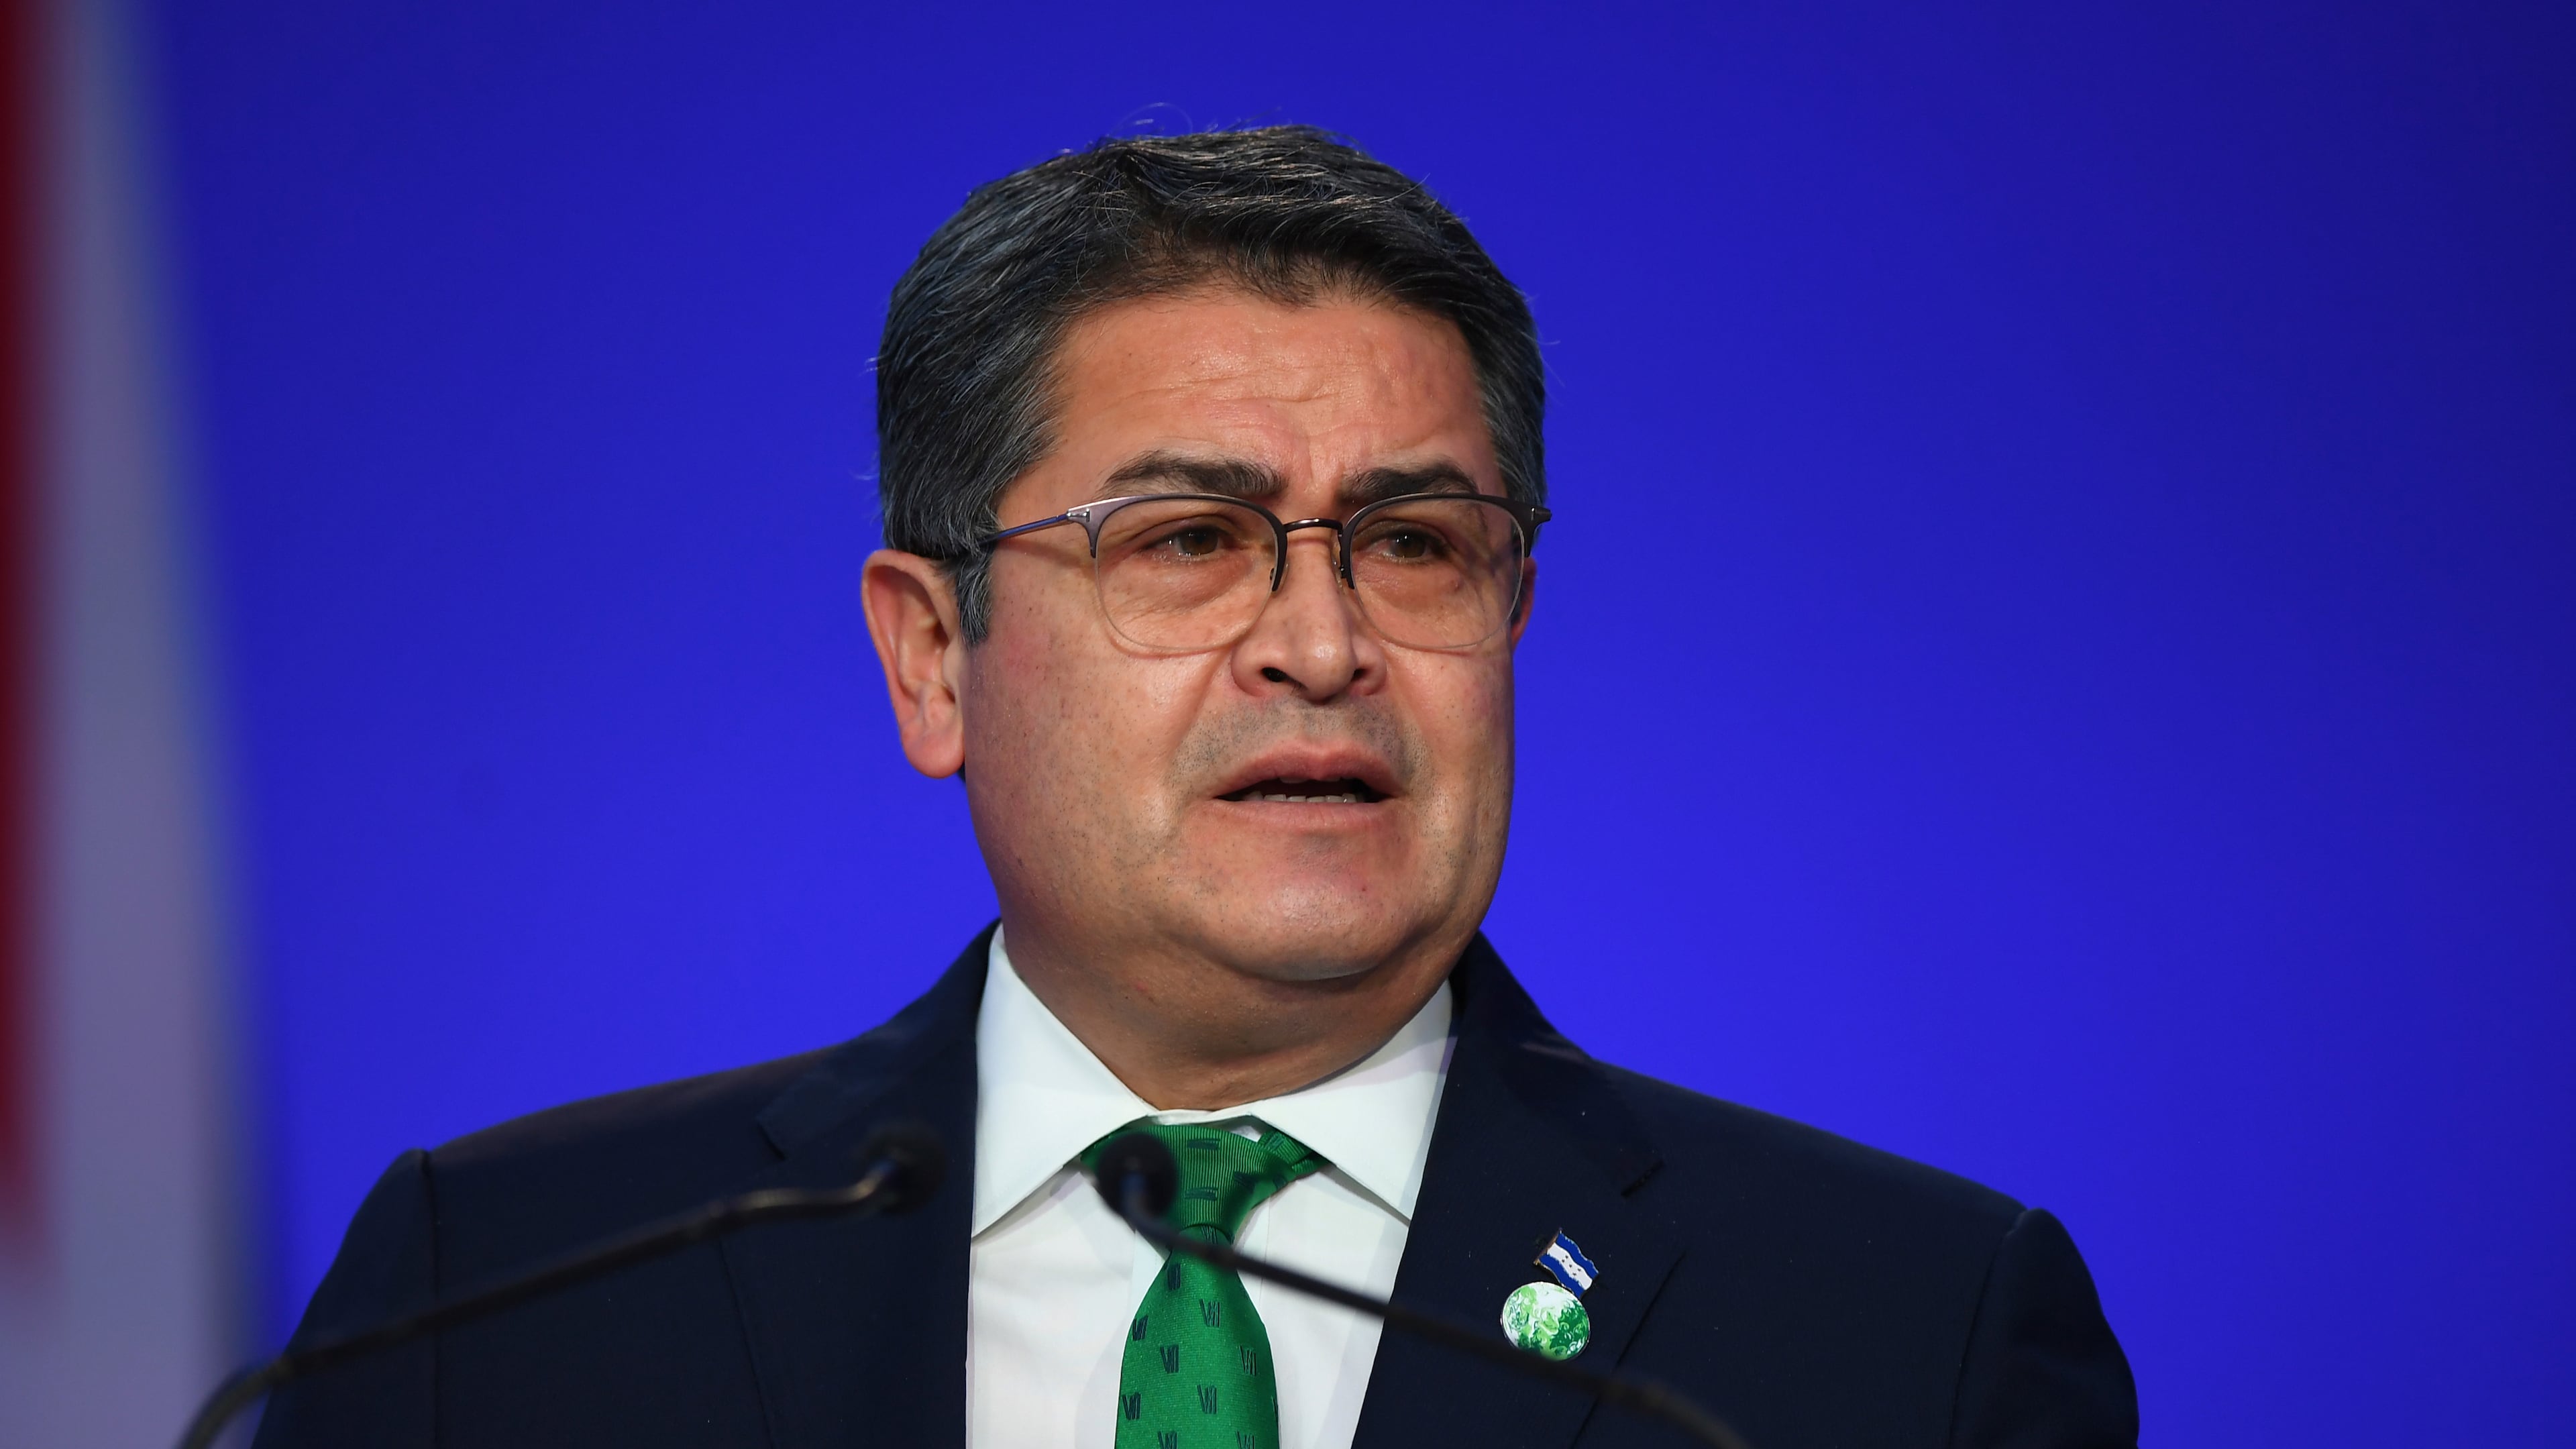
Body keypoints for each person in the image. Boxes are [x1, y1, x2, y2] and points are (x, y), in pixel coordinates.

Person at [256, 126, 2137, 1449]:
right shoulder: (508, 1299)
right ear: (933, 657)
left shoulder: (1905, 1333)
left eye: (1413, 544)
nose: (1321, 642)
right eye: (1187, 539)